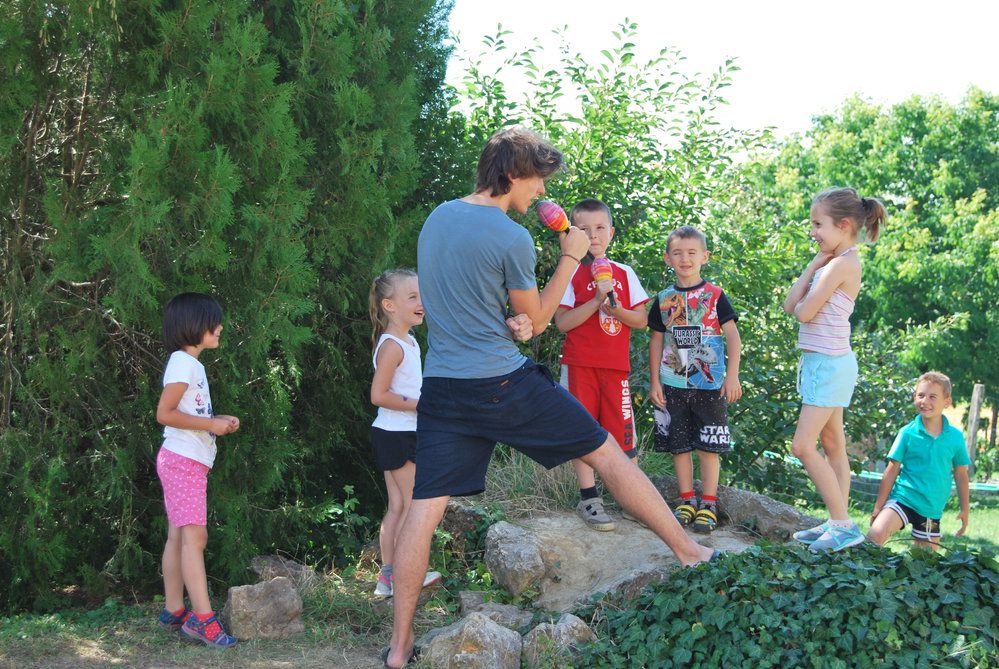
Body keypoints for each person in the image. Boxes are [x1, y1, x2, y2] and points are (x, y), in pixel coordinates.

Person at [383, 126, 717, 669]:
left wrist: (510, 321)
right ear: (515, 173)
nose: (542, 191)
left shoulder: (438, 218)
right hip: (502, 384)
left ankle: (398, 650)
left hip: (443, 388)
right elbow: (540, 322)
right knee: (607, 451)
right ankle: (689, 550)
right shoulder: (510, 236)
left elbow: (465, 304)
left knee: (425, 508)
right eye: (538, 180)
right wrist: (570, 257)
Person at [785, 187, 887, 552]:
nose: (812, 231)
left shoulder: (844, 264)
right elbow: (790, 305)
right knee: (832, 445)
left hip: (829, 366)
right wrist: (814, 263)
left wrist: (807, 295)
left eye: (818, 224)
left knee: (802, 446)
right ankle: (837, 522)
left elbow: (804, 312)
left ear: (843, 225)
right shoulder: (830, 262)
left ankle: (843, 526)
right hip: (822, 363)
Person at [554, 198, 650, 531]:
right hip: (580, 366)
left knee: (623, 435)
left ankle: (633, 500)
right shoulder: (571, 272)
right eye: (584, 229)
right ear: (572, 235)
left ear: (611, 232)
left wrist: (616, 310)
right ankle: (589, 498)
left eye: (599, 228)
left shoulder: (624, 273)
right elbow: (562, 323)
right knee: (582, 429)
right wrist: (596, 301)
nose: (593, 236)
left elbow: (641, 320)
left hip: (615, 369)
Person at [154, 293, 239, 647]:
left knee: (179, 535)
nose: (220, 327)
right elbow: (165, 414)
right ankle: (203, 620)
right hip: (183, 462)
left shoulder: (189, 364)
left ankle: (174, 609)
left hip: (183, 460)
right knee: (195, 538)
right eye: (213, 322)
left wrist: (215, 421)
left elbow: (186, 413)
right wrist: (210, 425)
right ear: (194, 326)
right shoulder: (183, 364)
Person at [648, 226, 742, 534]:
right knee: (679, 445)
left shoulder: (715, 296)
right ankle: (686, 499)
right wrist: (655, 381)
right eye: (677, 253)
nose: (685, 259)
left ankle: (709, 503)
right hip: (672, 384)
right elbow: (656, 341)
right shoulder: (664, 299)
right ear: (668, 258)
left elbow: (733, 337)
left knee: (708, 446)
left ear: (704, 256)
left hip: (709, 385)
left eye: (691, 253)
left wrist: (732, 376)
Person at [367, 269, 442, 597]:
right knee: (413, 507)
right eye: (412, 297)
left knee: (398, 506)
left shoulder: (408, 341)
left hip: (395, 432)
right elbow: (378, 395)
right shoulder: (393, 346)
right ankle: (407, 574)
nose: (421, 302)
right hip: (397, 434)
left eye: (421, 295)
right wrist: (420, 405)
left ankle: (388, 578)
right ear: (389, 305)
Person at [867, 372, 970, 550]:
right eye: (920, 395)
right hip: (903, 499)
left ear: (946, 402)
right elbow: (891, 470)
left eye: (932, 397)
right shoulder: (907, 433)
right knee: (875, 536)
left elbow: (961, 475)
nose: (925, 401)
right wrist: (878, 507)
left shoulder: (955, 437)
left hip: (931, 510)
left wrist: (965, 509)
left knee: (925, 561)